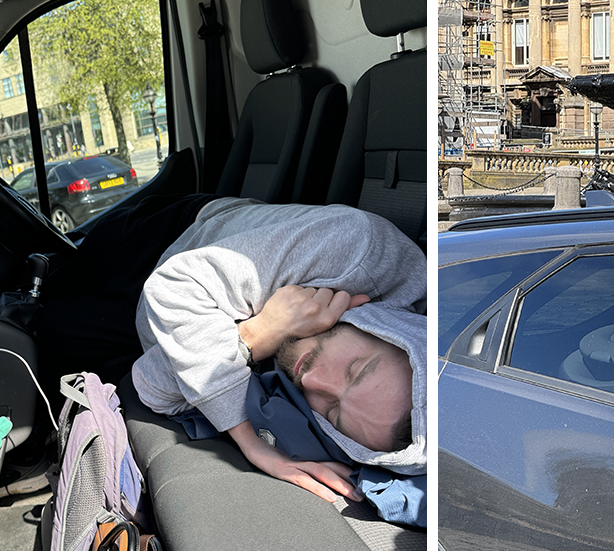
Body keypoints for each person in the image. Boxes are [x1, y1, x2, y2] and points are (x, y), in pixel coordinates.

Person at [129, 197, 426, 506]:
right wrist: (248, 440)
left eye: (333, 412)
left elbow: (151, 386)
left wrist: (261, 335)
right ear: (394, 332)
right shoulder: (358, 248)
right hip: (174, 232)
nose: (312, 381)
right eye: (355, 370)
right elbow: (175, 286)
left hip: (136, 324)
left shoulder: (315, 404)